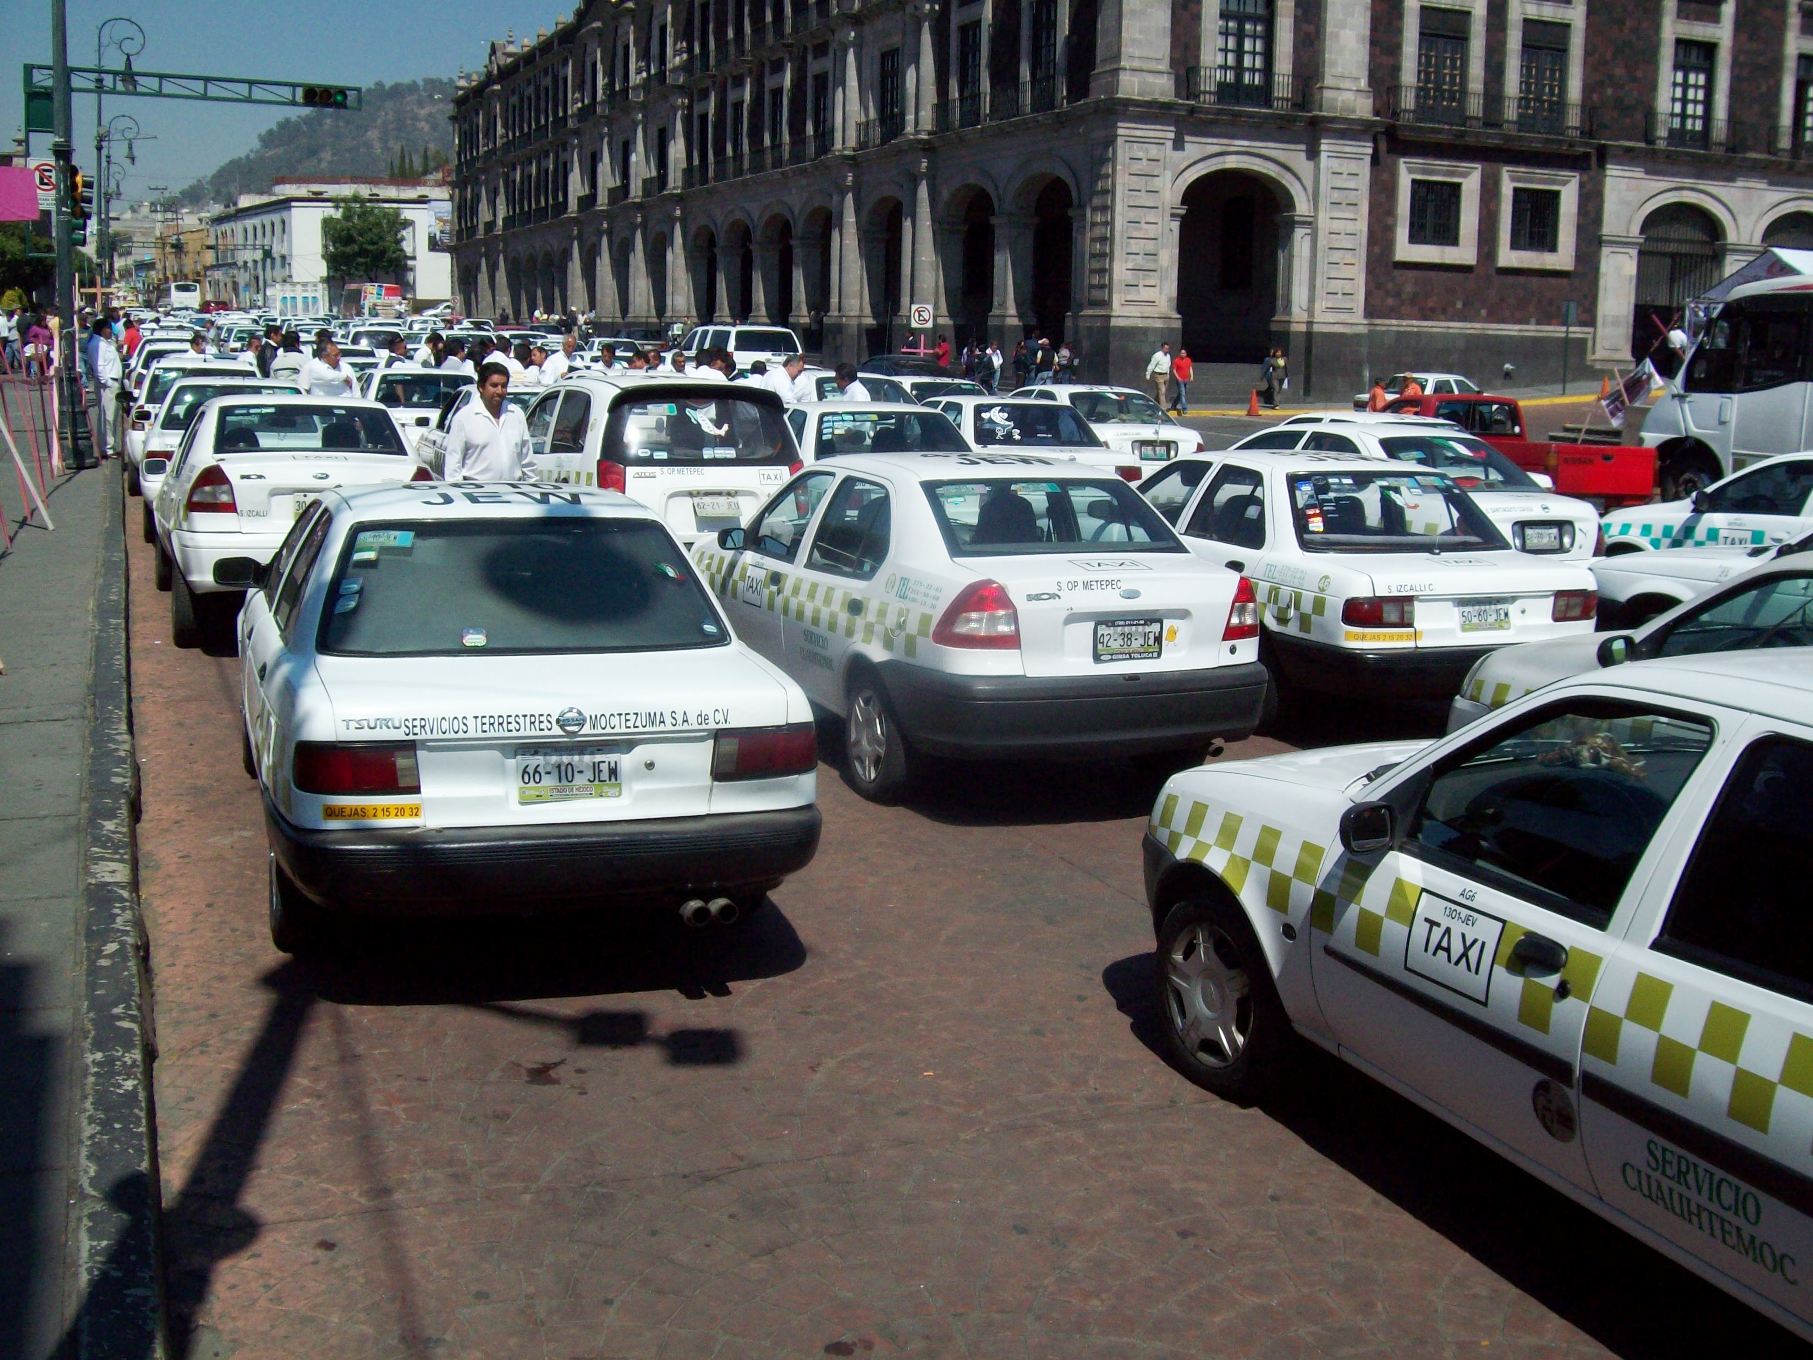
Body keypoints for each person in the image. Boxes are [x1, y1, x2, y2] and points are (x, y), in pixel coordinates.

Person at [443, 363, 530, 482]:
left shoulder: (516, 414)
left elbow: (527, 460)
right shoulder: (464, 418)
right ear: (481, 387)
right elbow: (453, 465)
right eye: (494, 386)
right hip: (476, 490)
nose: (499, 391)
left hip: (513, 490)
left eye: (503, 386)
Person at [86, 318, 123, 461]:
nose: (111, 332)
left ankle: (109, 446)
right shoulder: (98, 344)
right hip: (108, 383)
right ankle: (107, 447)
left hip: (113, 382)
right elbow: (98, 366)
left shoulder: (105, 343)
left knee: (111, 416)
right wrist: (107, 382)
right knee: (108, 416)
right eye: (108, 329)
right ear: (102, 330)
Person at [1146, 342, 1173, 408]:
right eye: (1166, 348)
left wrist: (1168, 374)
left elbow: (1168, 364)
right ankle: (1163, 408)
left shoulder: (1168, 356)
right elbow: (1152, 365)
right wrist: (1148, 373)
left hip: (1166, 375)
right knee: (1162, 392)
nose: (1167, 350)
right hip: (1159, 375)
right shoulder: (1157, 355)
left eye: (1168, 348)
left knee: (1161, 392)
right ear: (1162, 348)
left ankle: (1153, 405)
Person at [1170, 349, 1192, 415]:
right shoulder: (1176, 360)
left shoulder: (1188, 360)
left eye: (1184, 353)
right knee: (1182, 394)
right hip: (1180, 380)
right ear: (1179, 354)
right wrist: (1178, 377)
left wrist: (1192, 376)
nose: (1183, 354)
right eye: (1182, 353)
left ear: (1186, 354)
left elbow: (1190, 368)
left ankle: (1174, 405)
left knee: (1181, 394)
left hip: (1186, 379)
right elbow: (1174, 370)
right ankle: (1184, 408)